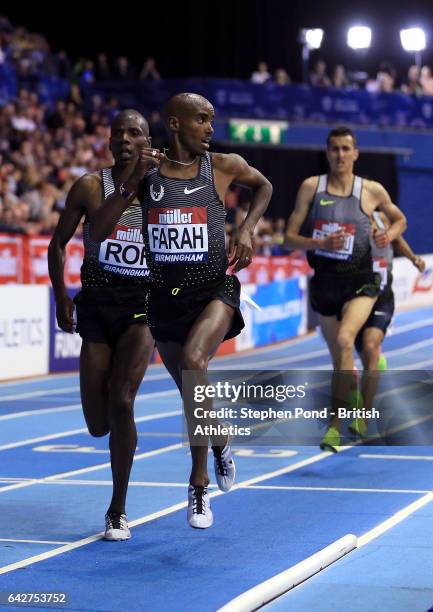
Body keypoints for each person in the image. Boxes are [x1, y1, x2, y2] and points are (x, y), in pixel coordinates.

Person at [91, 92, 273, 529]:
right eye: (202, 120)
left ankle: (198, 487)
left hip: (214, 290)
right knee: (192, 391)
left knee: (195, 364)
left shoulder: (223, 165)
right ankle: (221, 440)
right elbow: (97, 230)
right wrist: (132, 178)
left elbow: (264, 186)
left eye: (212, 120)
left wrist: (247, 229)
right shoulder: (148, 173)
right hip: (163, 299)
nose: (211, 128)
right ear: (175, 123)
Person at [48, 109, 157, 541]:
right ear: (110, 142)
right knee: (98, 423)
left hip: (142, 306)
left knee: (123, 400)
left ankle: (117, 509)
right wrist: (60, 294)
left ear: (147, 141)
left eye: (135, 133)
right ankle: (123, 438)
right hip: (95, 305)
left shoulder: (163, 190)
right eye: (119, 133)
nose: (126, 139)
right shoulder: (90, 187)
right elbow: (62, 242)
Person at [285, 125, 406, 452]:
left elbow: (399, 219)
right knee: (339, 355)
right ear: (327, 152)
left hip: (362, 280)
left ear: (355, 153)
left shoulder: (371, 191)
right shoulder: (312, 187)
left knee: (345, 339)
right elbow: (288, 237)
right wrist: (319, 241)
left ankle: (343, 423)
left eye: (345, 149)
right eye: (334, 149)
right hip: (325, 281)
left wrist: (389, 235)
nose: (340, 154)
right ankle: (350, 404)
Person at [349, 211, 426, 439]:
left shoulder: (382, 217)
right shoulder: (349, 219)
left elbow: (397, 238)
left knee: (371, 345)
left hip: (382, 297)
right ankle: (373, 367)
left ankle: (363, 417)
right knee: (364, 357)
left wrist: (413, 258)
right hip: (354, 298)